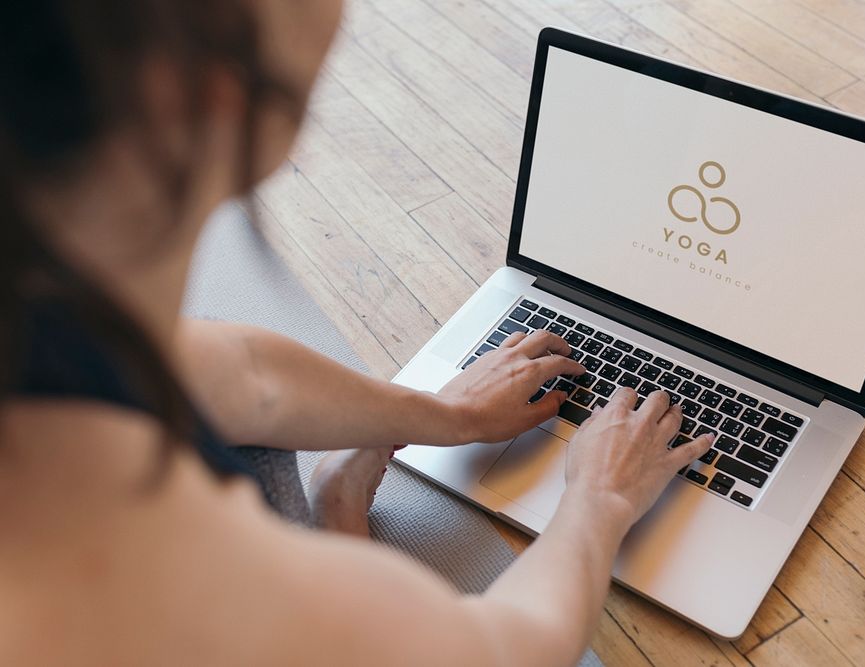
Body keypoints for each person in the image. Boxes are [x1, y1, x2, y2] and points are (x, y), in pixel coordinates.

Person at [0, 1, 714, 664]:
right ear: (201, 85)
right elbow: (506, 645)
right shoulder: (166, 583)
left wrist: (450, 414)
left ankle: (338, 504)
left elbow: (246, 373)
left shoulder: (49, 287)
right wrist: (600, 498)